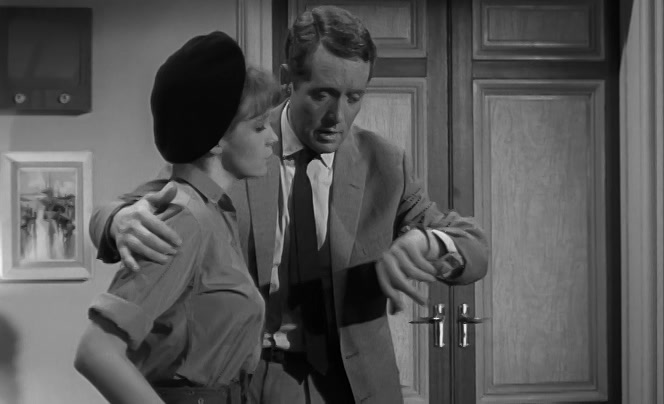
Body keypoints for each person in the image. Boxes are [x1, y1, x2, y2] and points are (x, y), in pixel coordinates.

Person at [89, 6, 489, 404]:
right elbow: (131, 207)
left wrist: (429, 243)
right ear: (287, 80)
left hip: (358, 385)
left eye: (354, 98)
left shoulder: (384, 163)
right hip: (254, 381)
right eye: (322, 95)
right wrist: (119, 221)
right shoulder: (238, 143)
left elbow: (473, 248)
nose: (337, 117)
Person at [74, 31, 280, 404]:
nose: (272, 138)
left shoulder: (214, 211)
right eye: (259, 126)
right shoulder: (187, 217)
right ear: (216, 139)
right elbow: (96, 352)